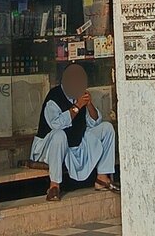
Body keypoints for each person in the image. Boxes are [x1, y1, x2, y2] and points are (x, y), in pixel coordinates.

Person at [29, 63, 119, 202]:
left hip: (75, 145)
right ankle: (54, 186)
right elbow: (56, 124)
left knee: (106, 128)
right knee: (59, 135)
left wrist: (88, 105)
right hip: (49, 148)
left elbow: (95, 121)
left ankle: (102, 177)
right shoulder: (54, 97)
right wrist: (77, 106)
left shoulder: (81, 95)